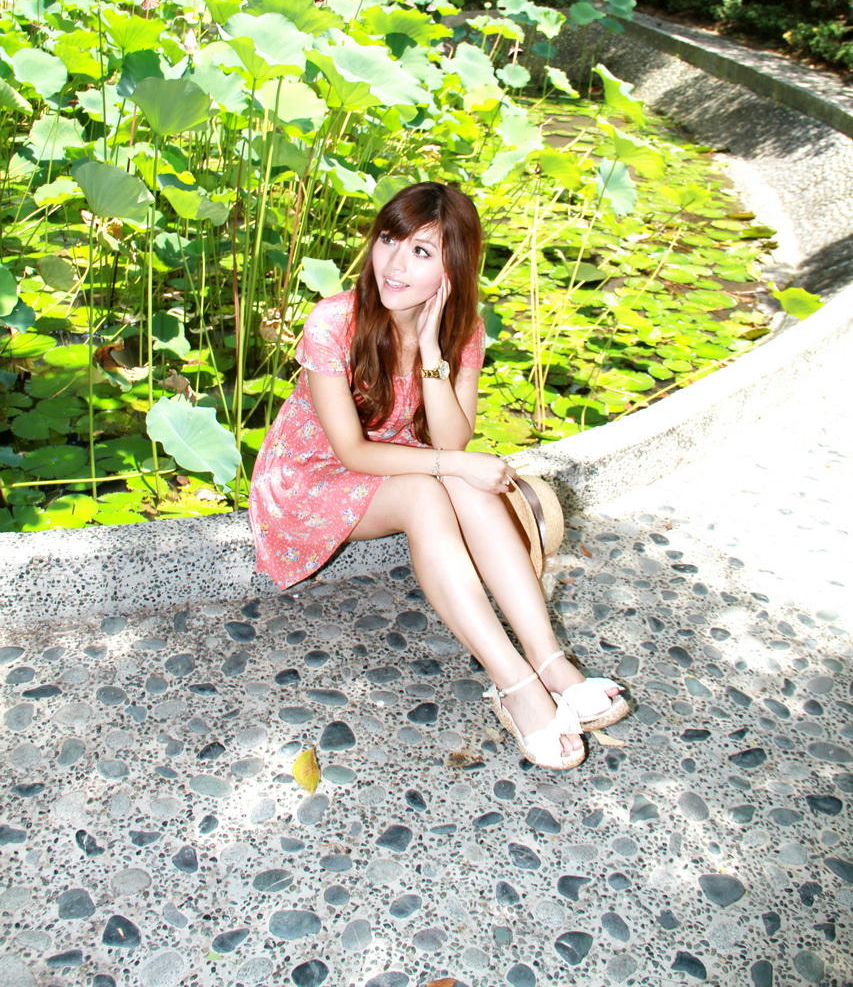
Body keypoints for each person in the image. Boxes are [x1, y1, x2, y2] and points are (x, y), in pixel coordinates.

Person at [249, 182, 628, 770]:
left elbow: (451, 441)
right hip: (309, 479)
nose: (394, 264)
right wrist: (453, 464)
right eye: (389, 240)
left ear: (452, 267)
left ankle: (551, 662)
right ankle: (517, 686)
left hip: (401, 463)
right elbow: (351, 451)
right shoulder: (335, 322)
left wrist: (430, 350)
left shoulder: (462, 330)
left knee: (458, 478)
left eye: (422, 252)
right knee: (433, 490)